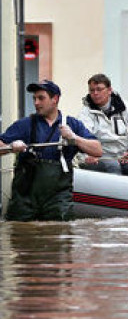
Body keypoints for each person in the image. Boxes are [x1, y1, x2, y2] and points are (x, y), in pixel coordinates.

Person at [0, 79, 103, 221]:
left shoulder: (72, 124)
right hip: (24, 200)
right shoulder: (24, 124)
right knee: (21, 235)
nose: (36, 103)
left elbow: (97, 150)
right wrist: (11, 147)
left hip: (58, 200)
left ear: (55, 99)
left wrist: (74, 138)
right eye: (34, 98)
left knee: (59, 235)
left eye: (41, 98)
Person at [77, 73, 128, 176]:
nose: (95, 93)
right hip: (100, 159)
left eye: (99, 89)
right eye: (92, 90)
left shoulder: (124, 107)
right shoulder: (86, 113)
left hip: (124, 157)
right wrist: (86, 157)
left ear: (109, 90)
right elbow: (81, 139)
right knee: (114, 167)